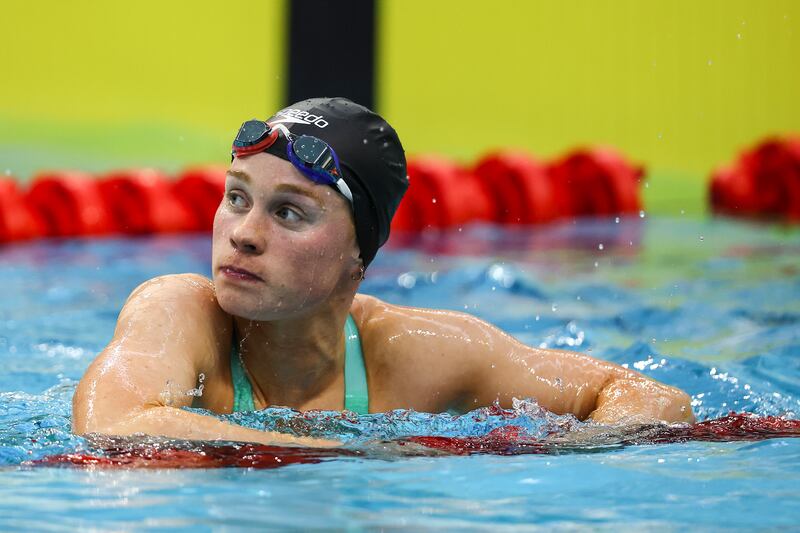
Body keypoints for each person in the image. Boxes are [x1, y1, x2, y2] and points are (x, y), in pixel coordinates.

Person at [72, 97, 694, 447]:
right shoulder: (179, 311)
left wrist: (550, 453)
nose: (243, 234)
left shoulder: (416, 354)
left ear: (358, 260)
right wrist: (354, 454)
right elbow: (110, 426)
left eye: (288, 212)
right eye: (237, 197)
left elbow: (649, 398)